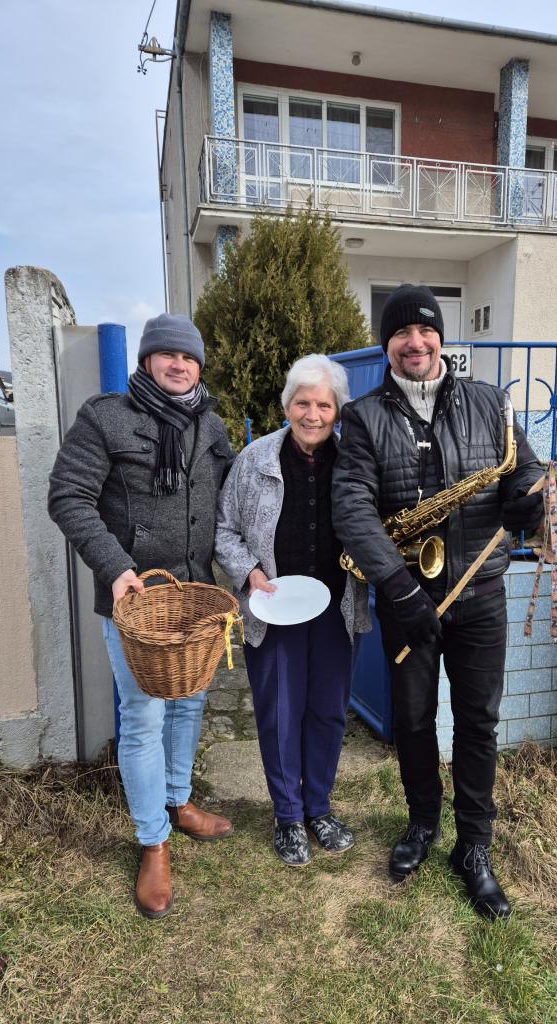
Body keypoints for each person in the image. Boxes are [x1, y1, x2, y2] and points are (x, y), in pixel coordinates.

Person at [331, 285, 544, 919]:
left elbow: (525, 468)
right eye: (401, 332)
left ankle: (474, 847)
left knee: (478, 723)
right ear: (387, 344)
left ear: (441, 340)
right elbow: (352, 506)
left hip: (480, 595)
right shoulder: (363, 417)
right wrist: (398, 586)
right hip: (409, 597)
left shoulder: (490, 402)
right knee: (413, 720)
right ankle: (422, 823)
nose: (415, 342)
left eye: (425, 331)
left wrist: (527, 500)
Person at [48, 313, 235, 919]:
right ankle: (153, 841)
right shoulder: (105, 418)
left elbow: (232, 494)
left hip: (195, 599)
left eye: (189, 357)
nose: (179, 365)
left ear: (199, 366)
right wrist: (114, 566)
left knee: (190, 703)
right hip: (134, 601)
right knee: (143, 717)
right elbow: (68, 495)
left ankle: (179, 801)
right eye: (168, 355)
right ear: (148, 361)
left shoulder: (211, 424)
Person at [214, 354, 370, 867]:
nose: (313, 414)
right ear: (287, 406)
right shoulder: (254, 460)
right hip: (274, 608)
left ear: (337, 411)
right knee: (280, 712)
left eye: (324, 405)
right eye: (303, 403)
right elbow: (224, 530)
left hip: (335, 608)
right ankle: (287, 816)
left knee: (327, 710)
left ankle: (318, 808)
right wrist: (249, 573)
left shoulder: (355, 461)